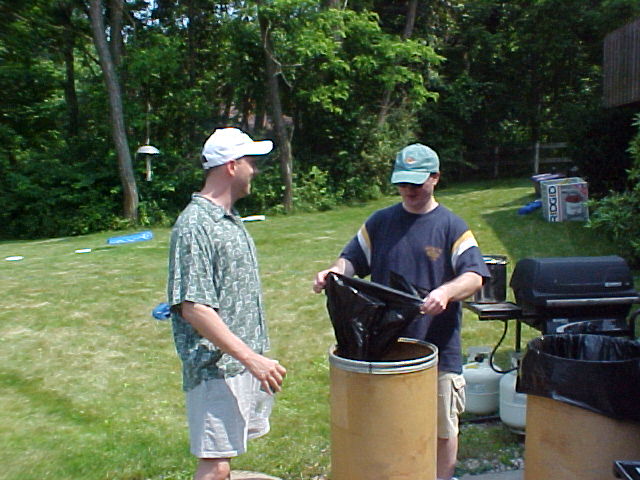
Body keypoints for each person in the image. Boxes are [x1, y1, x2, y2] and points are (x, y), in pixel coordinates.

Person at [313, 143, 489, 480]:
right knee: (386, 428)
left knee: (441, 430)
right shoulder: (380, 223)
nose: (408, 190)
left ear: (435, 178)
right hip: (385, 352)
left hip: (439, 352)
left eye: (416, 183)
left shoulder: (451, 226)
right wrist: (333, 273)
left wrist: (445, 292)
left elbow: (475, 275)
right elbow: (351, 259)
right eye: (402, 183)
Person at [168, 127, 287, 480]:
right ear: (232, 166)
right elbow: (194, 308)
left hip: (238, 366)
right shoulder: (195, 225)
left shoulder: (228, 219)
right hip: (215, 369)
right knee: (215, 466)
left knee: (226, 458)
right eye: (251, 162)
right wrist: (252, 359)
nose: (255, 170)